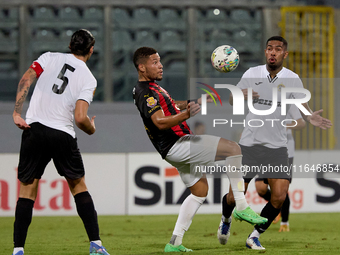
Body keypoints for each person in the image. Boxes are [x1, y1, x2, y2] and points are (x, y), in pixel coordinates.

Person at [132, 47, 267, 253]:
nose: (160, 66)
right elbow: (159, 122)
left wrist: (189, 103)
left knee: (199, 191)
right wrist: (186, 115)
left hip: (172, 148)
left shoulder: (153, 88)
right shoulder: (145, 92)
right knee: (233, 148)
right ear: (141, 67)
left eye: (160, 61)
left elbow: (168, 104)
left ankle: (174, 243)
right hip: (177, 144)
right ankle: (240, 206)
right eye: (154, 62)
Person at [217, 36, 332, 250]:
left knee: (279, 197)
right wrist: (240, 95)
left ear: (284, 54)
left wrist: (309, 117)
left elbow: (302, 103)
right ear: (265, 52)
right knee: (233, 197)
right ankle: (225, 220)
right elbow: (233, 100)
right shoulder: (252, 73)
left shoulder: (292, 78)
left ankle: (254, 236)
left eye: (277, 49)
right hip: (249, 145)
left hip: (277, 147)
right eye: (269, 48)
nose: (272, 52)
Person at [12, 29, 109, 255]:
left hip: (33, 130)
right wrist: (91, 129)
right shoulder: (89, 78)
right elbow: (80, 118)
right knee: (78, 187)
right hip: (62, 134)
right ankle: (96, 245)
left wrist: (17, 112)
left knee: (26, 192)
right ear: (91, 50)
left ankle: (18, 249)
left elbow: (26, 77)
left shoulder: (48, 57)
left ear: (69, 45)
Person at [255, 104, 305, 232]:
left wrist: (285, 126)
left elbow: (301, 123)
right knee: (260, 188)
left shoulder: (288, 104)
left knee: (281, 188)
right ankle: (276, 209)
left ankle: (284, 222)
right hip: (265, 151)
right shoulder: (262, 103)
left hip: (285, 152)